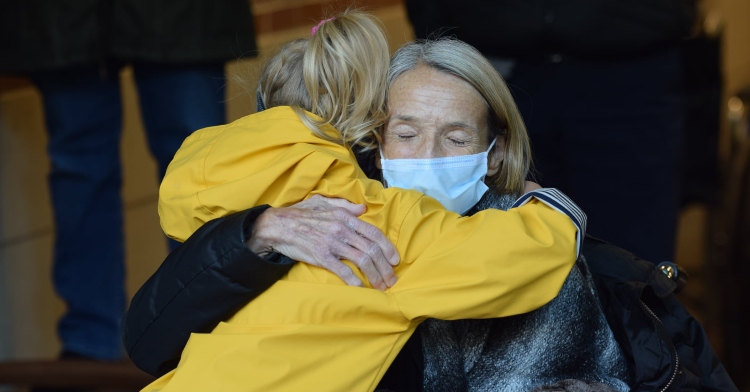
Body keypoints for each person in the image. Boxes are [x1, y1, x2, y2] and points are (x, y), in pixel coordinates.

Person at [124, 27, 737, 392]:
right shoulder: (306, 223)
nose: (428, 154)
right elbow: (146, 340)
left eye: (457, 137)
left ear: (495, 154)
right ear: (373, 141)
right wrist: (252, 237)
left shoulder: (537, 267)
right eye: (407, 133)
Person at [0, 1, 256, 365]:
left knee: (198, 164)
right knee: (79, 170)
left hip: (183, 17)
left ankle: (212, 326)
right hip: (65, 17)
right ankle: (90, 347)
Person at [402, 0, 697, 264]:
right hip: (495, 71)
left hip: (632, 69)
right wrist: (443, 42)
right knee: (498, 259)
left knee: (634, 264)